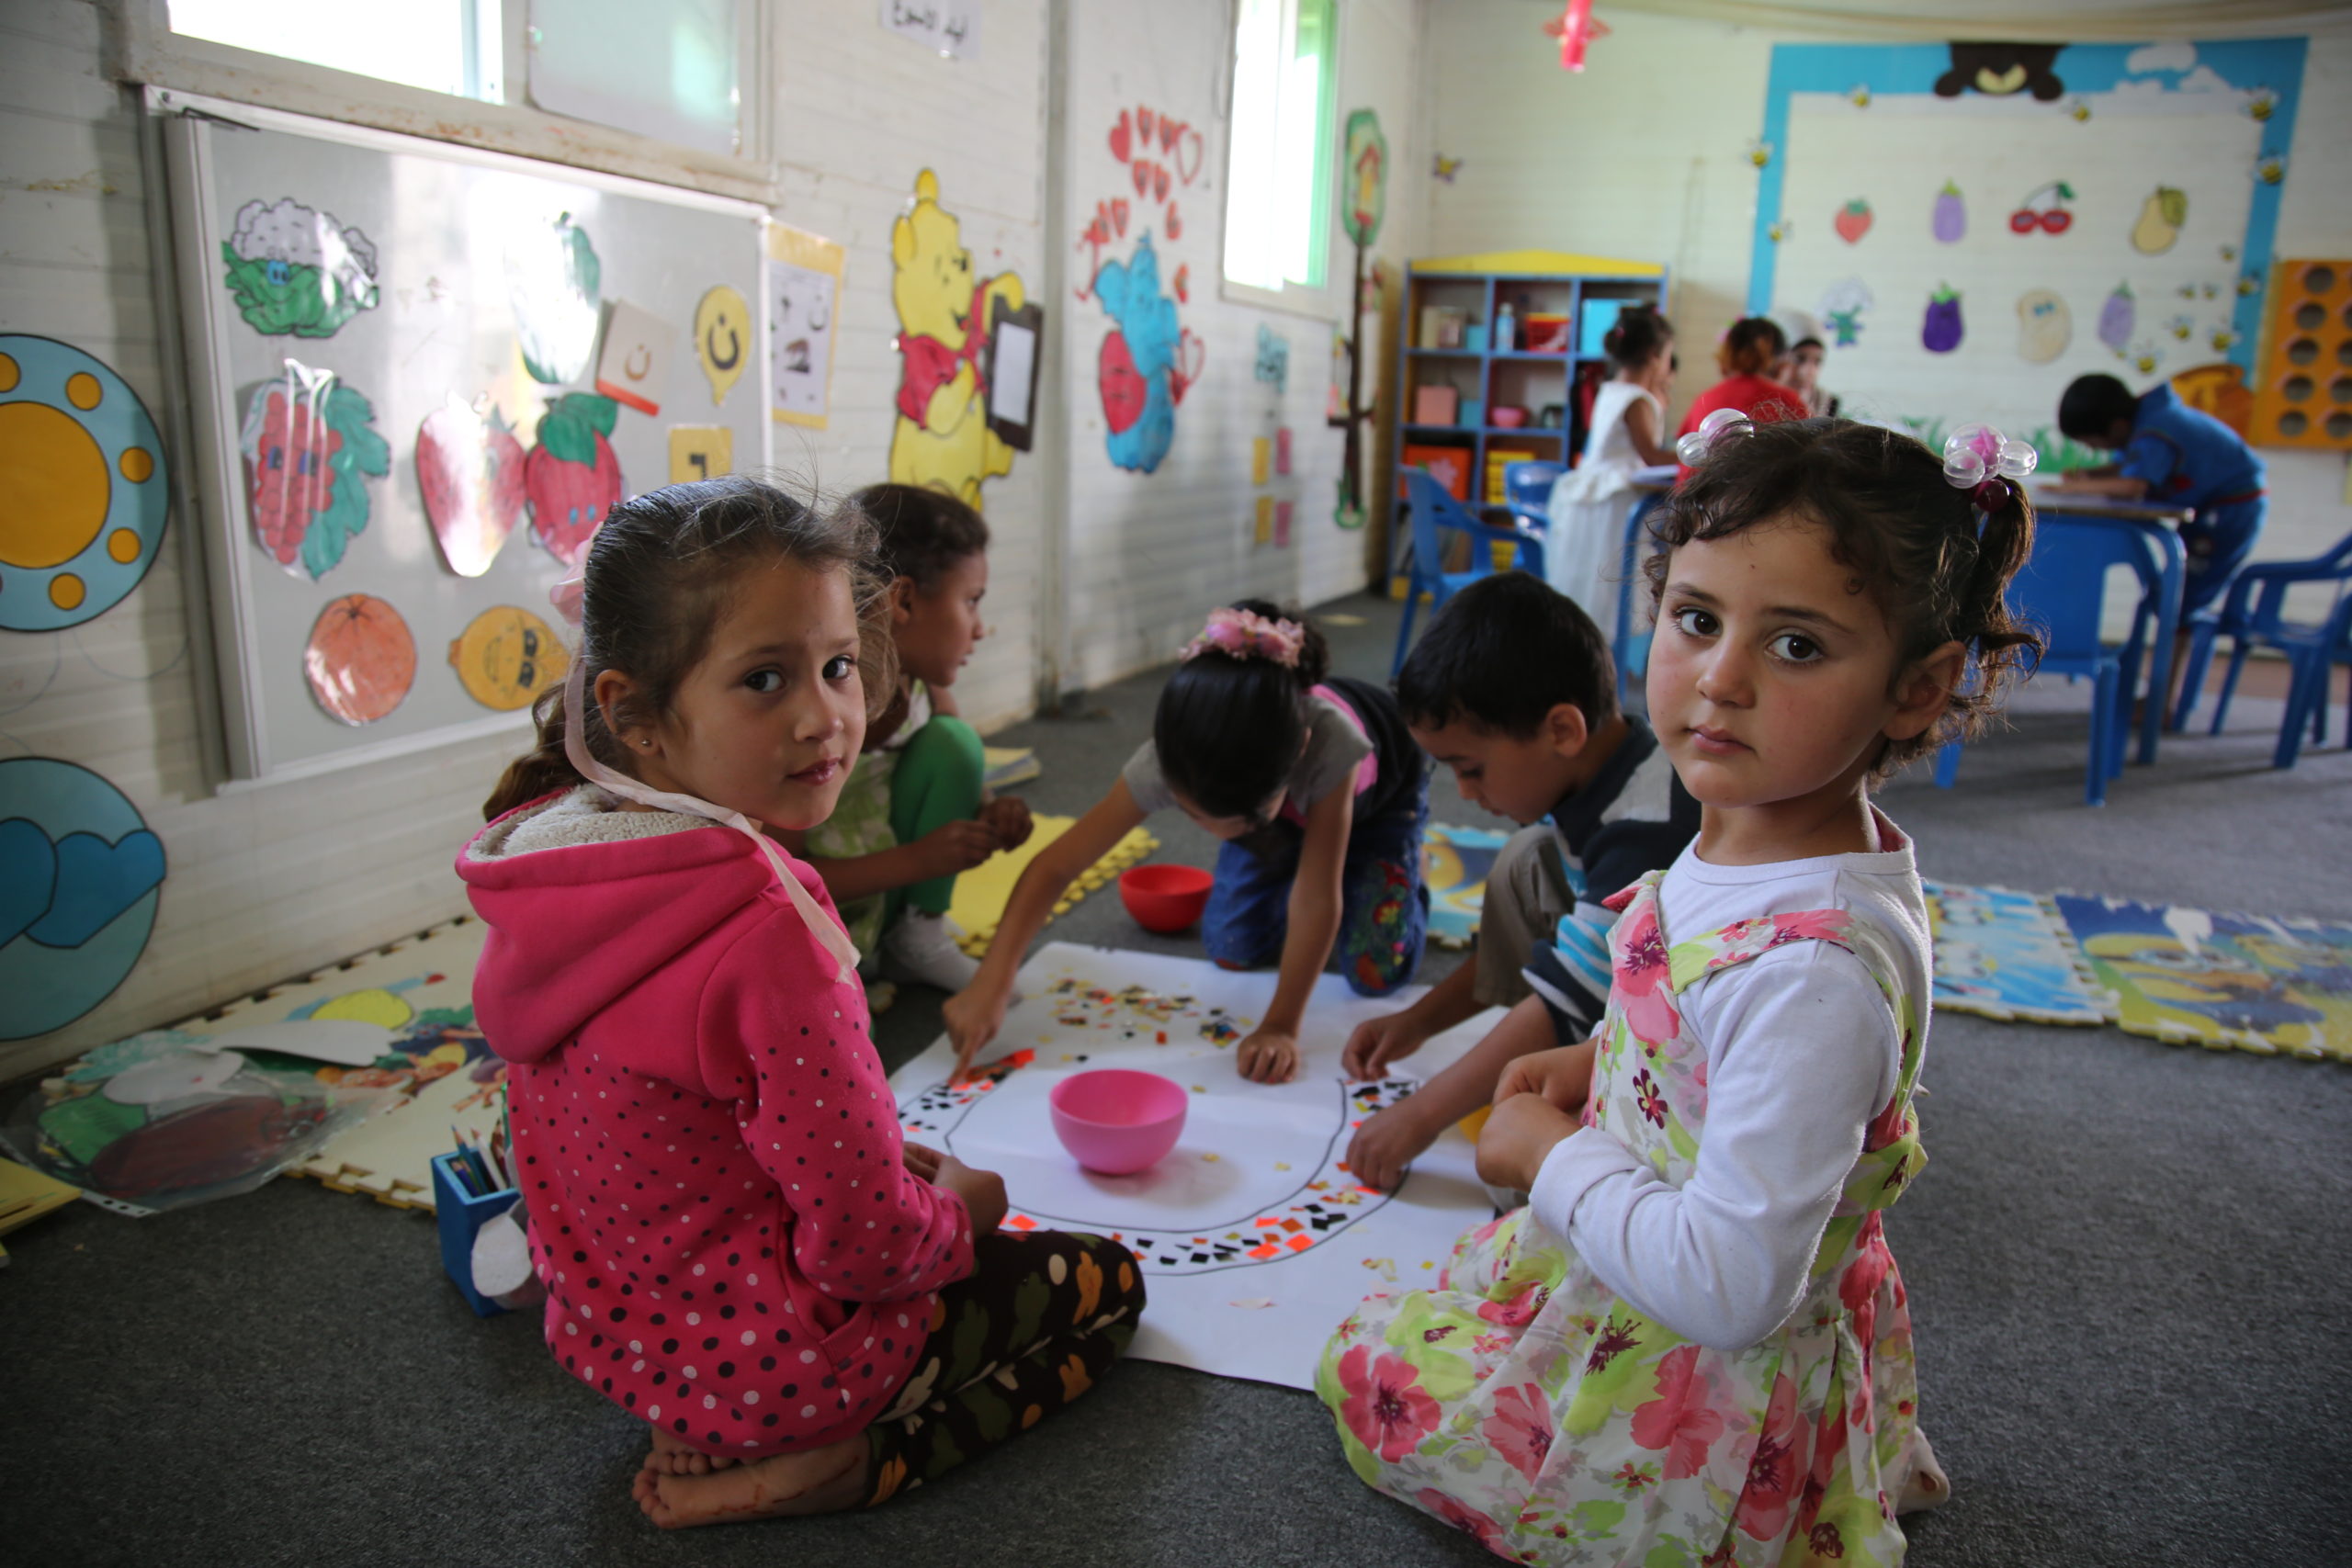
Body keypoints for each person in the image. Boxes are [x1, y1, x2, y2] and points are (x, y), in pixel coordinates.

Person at [1317, 416, 2044, 1564]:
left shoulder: (1815, 972)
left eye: (1797, 646)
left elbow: (1731, 1284)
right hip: (1638, 1240)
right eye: (1696, 619)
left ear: (1917, 690)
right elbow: (1690, 1021)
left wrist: (1543, 1156)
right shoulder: (1738, 834)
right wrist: (1602, 1063)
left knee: (1385, 1393)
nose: (1719, 678)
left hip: (1704, 1359)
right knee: (1402, 1348)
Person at [460, 477, 1143, 1529]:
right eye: (765, 680)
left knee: (902, 1160)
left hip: (614, 1345)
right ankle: (830, 1465)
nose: (825, 716)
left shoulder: (555, 854)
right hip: (781, 1368)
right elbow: (865, 1244)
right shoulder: (772, 928)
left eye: (834, 668)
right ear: (632, 714)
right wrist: (962, 1213)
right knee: (1099, 1283)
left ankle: (707, 1418)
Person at [944, 601, 1430, 1085]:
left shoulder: (1331, 745)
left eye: (1229, 821)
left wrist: (1281, 1026)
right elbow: (1055, 867)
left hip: (1380, 806)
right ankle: (1278, 844)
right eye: (1194, 816)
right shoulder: (1168, 762)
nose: (1212, 832)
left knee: (1376, 973)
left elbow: (1318, 895)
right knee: (1232, 949)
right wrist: (992, 979)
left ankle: (1412, 868)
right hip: (1270, 815)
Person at [1338, 572, 1697, 1190]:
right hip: (1626, 954)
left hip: (1693, 1009)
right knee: (1527, 856)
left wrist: (1420, 1116)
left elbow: (1571, 1000)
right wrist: (1418, 1021)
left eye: (1471, 769)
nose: (1467, 793)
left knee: (1538, 1154)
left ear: (1562, 731)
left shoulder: (1645, 825)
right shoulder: (1601, 768)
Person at [787, 483, 1033, 992]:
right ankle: (860, 960)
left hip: (887, 891)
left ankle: (917, 935)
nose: (980, 628)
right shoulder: (815, 718)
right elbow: (784, 880)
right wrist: (919, 862)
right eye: (971, 602)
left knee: (956, 742)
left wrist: (991, 811)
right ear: (903, 600)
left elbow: (963, 783)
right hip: (812, 921)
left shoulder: (926, 690)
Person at [2054, 371, 2267, 615]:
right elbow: (2129, 469)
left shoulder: (2155, 431)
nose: (2093, 449)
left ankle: (2176, 651)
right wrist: (2091, 476)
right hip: (2218, 505)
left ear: (2117, 427)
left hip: (2231, 507)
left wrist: (2072, 488)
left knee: (2186, 597)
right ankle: (2172, 645)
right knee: (2177, 592)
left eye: (2091, 443)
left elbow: (2134, 486)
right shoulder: (2147, 422)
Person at [1544, 305, 1676, 629]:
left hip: (1593, 494)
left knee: (1587, 585)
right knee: (1610, 589)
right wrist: (1696, 454)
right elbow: (1651, 456)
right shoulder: (1637, 398)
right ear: (1654, 355)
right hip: (1614, 503)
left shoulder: (1611, 389)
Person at [1675, 316, 1804, 479]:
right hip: (1756, 501)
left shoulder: (1706, 397)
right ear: (1780, 362)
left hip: (1693, 499)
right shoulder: (1786, 400)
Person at [1784, 333, 1839, 418]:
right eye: (1799, 359)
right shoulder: (1763, 398)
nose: (1808, 371)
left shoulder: (1828, 403)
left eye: (1817, 362)